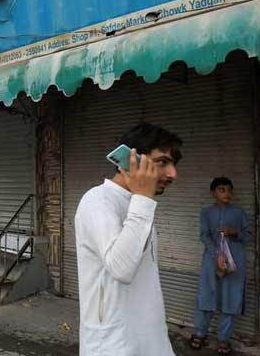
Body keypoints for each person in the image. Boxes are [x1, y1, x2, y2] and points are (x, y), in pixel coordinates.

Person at [74, 123, 182, 356]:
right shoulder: (97, 200)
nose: (173, 174)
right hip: (113, 345)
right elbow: (122, 268)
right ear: (129, 160)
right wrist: (143, 197)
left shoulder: (138, 204)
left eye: (173, 164)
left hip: (151, 341)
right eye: (162, 162)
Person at [190, 177, 250, 355]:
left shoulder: (239, 213)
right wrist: (216, 254)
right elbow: (204, 235)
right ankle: (200, 333)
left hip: (235, 260)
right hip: (212, 260)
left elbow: (248, 235)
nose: (227, 193)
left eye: (229, 190)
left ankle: (223, 339)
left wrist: (235, 232)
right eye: (222, 190)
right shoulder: (206, 212)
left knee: (231, 297)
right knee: (206, 295)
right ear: (213, 193)